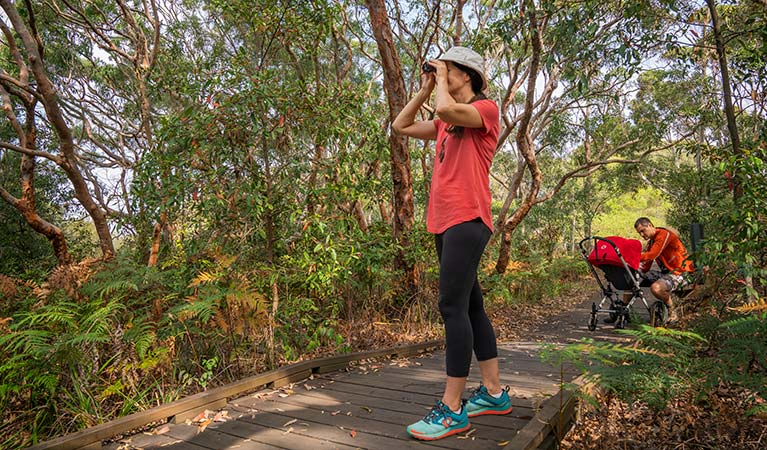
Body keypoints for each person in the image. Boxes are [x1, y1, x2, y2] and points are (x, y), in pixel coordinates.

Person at [391, 46, 512, 441]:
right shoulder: (445, 121)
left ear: (468, 75)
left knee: (450, 306)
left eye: (449, 68)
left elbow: (447, 111)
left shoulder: (486, 110)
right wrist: (426, 88)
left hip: (469, 218)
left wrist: (439, 80)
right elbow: (401, 125)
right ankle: (494, 393)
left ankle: (453, 408)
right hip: (445, 223)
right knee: (471, 305)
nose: (442, 72)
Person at [633, 217, 694, 323]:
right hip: (667, 273)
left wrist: (632, 257)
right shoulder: (651, 243)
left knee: (656, 288)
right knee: (632, 278)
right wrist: (632, 268)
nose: (642, 235)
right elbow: (646, 266)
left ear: (650, 226)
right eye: (639, 233)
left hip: (682, 272)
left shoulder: (664, 234)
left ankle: (672, 311)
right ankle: (622, 310)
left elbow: (652, 255)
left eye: (643, 231)